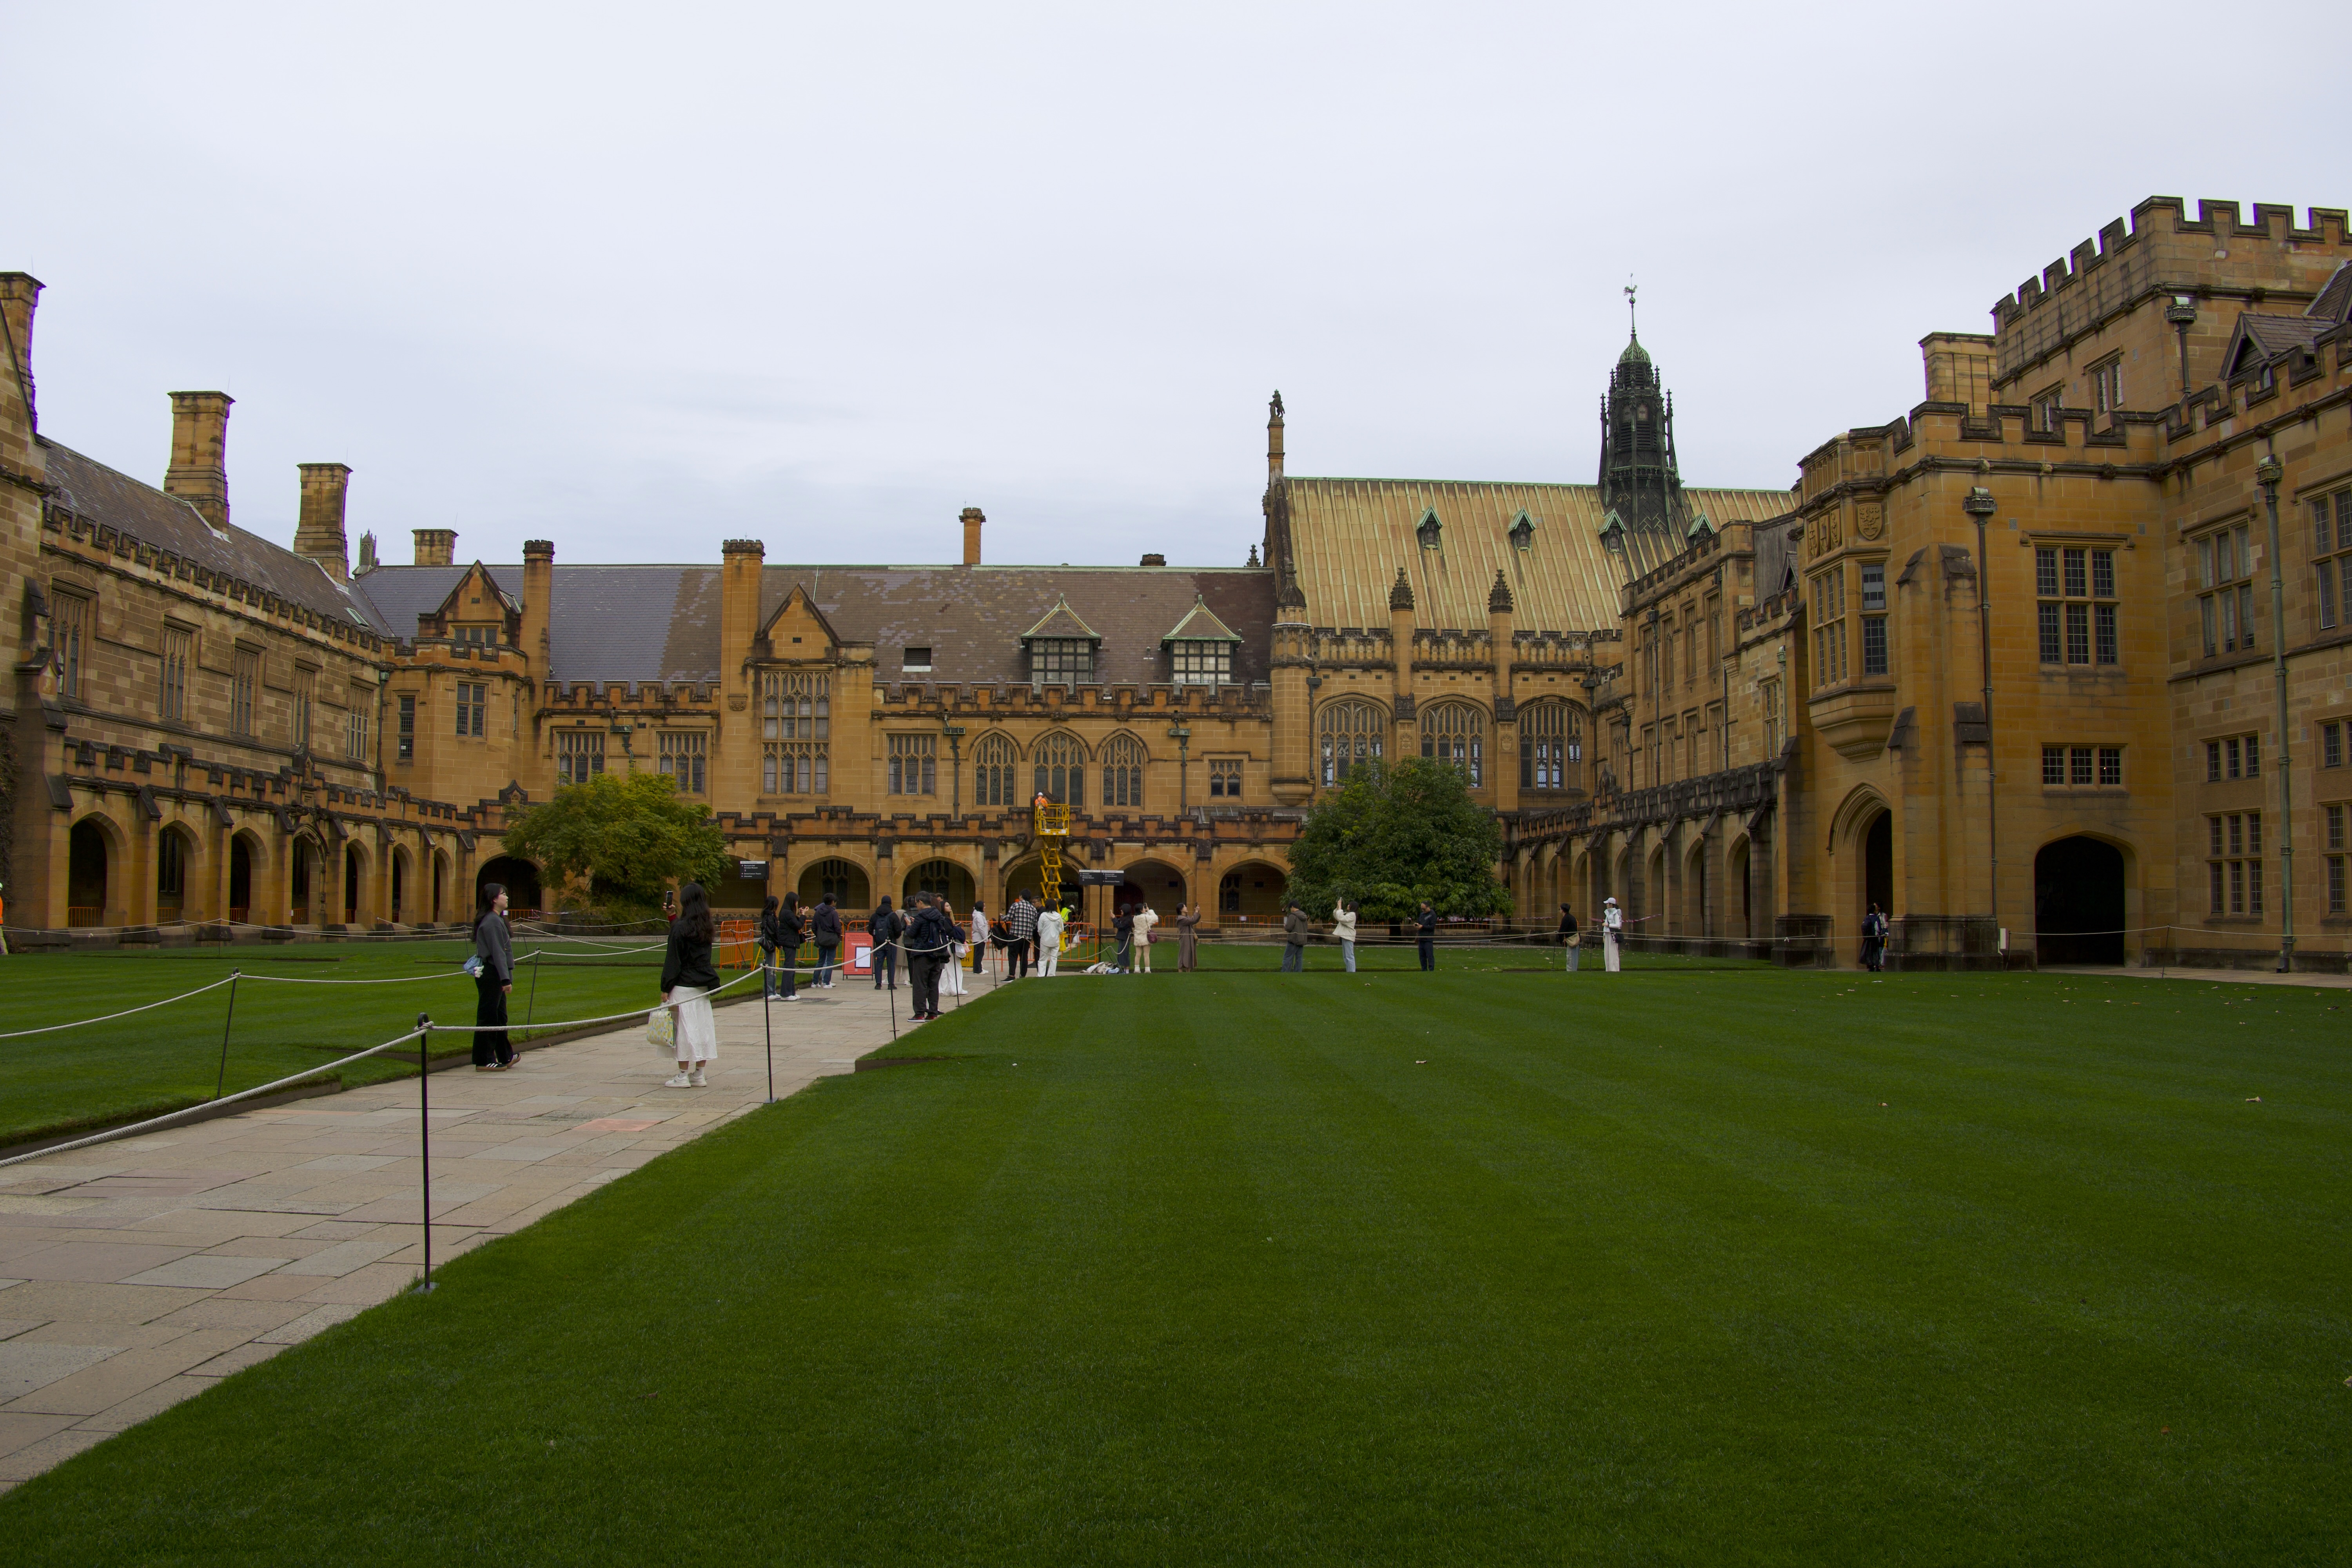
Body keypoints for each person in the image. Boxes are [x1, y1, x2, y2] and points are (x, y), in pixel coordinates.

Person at [659, 882, 721, 1087]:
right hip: (701, 987)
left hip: (684, 987)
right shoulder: (706, 927)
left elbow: (673, 960)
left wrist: (666, 987)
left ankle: (683, 1075)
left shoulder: (682, 929)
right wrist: (672, 917)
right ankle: (699, 1073)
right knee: (702, 1029)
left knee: (684, 1031)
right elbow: (683, 932)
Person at [471, 881, 517, 1071]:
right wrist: (505, 980)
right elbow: (498, 953)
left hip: (495, 972)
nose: (506, 897)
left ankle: (505, 1055)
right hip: (492, 973)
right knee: (488, 1017)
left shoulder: (496, 920)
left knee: (499, 1017)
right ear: (493, 899)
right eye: (503, 894)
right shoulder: (491, 922)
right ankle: (483, 1059)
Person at [905, 894, 966, 1021]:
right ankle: (933, 1013)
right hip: (937, 954)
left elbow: (911, 935)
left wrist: (909, 925)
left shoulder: (921, 917)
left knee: (920, 984)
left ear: (921, 903)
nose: (916, 906)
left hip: (923, 953)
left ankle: (920, 1013)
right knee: (933, 984)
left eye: (917, 903)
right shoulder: (939, 916)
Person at [1004, 890, 1038, 978]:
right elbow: (1034, 924)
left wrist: (1002, 917)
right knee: (1024, 956)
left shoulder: (1016, 905)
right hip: (1027, 937)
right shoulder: (1033, 909)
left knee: (1013, 955)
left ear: (1021, 896)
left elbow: (1009, 918)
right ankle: (1023, 976)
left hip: (1016, 935)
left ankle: (1012, 975)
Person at [870, 895, 900, 991]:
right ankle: (891, 984)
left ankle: (878, 983)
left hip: (879, 943)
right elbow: (898, 929)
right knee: (891, 962)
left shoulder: (875, 915)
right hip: (891, 942)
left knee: (879, 962)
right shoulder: (893, 915)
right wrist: (894, 937)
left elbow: (870, 929)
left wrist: (876, 938)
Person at [811, 895, 842, 987]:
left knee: (821, 960)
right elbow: (837, 927)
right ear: (832, 902)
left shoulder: (818, 913)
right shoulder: (834, 913)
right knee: (830, 961)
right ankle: (826, 982)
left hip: (822, 938)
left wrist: (819, 935)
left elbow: (814, 926)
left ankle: (815, 982)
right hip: (832, 938)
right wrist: (837, 937)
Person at [1035, 902, 1066, 977]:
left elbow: (1040, 929)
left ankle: (1041, 975)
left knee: (1043, 959)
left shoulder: (1043, 916)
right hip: (1055, 940)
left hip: (1045, 940)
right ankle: (1052, 974)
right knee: (1054, 959)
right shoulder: (1058, 916)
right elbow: (1061, 929)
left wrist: (1042, 935)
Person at [1331, 898, 1358, 974]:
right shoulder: (1349, 914)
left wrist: (1340, 908)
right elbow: (1337, 917)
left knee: (1349, 956)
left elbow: (1341, 918)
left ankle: (1352, 972)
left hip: (1348, 936)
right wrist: (1338, 908)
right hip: (1345, 936)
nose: (1348, 906)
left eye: (1350, 905)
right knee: (1346, 956)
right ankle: (1349, 972)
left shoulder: (1352, 915)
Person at [1282, 901, 1310, 973]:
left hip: (1294, 940)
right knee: (1299, 959)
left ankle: (1285, 972)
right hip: (1302, 940)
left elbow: (1289, 928)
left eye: (1290, 908)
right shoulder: (1304, 916)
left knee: (1288, 957)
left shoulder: (1293, 916)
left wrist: (1286, 926)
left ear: (1293, 907)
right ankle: (1298, 973)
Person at [1132, 902, 1160, 973]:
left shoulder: (1135, 918)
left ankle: (1137, 969)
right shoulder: (1145, 917)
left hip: (1138, 937)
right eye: (1143, 908)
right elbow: (1155, 918)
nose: (1144, 909)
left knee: (1138, 955)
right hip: (1145, 937)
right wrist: (1150, 911)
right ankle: (1147, 969)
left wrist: (1146, 912)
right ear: (1141, 910)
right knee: (1146, 955)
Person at [1862, 902, 1889, 972]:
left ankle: (1871, 966)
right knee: (1876, 952)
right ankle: (1877, 966)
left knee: (1869, 952)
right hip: (1875, 938)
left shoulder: (1867, 918)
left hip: (1868, 938)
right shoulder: (1876, 918)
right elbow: (1878, 928)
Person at [967, 902, 989, 984]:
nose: (985, 907)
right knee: (979, 954)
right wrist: (986, 938)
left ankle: (979, 968)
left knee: (980, 954)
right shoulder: (979, 916)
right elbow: (981, 928)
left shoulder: (979, 915)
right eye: (984, 906)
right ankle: (977, 970)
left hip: (979, 938)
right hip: (979, 938)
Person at [1414, 900, 1437, 971]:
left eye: (1424, 909)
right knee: (1422, 956)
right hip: (1421, 938)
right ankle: (1424, 970)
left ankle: (1431, 970)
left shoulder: (1433, 915)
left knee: (1429, 955)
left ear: (1428, 907)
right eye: (1422, 909)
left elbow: (1432, 927)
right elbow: (1419, 922)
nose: (1423, 910)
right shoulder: (1422, 915)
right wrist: (1417, 925)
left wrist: (1423, 927)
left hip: (1428, 938)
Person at [1602, 896, 1624, 972]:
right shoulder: (1607, 913)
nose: (1607, 905)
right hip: (1608, 934)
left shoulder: (1616, 914)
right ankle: (1608, 969)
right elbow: (1606, 923)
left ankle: (1614, 969)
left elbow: (1618, 926)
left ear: (1611, 905)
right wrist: (1604, 935)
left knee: (1613, 952)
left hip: (1613, 934)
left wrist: (1609, 926)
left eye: (1608, 904)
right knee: (1607, 952)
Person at [1176, 903, 1200, 972]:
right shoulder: (1181, 919)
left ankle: (1188, 972)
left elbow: (1194, 921)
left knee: (1190, 953)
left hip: (1189, 938)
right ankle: (1180, 971)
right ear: (1181, 910)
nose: (1186, 908)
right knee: (1183, 954)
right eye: (1185, 907)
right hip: (1185, 939)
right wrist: (1196, 912)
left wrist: (1197, 912)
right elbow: (1192, 920)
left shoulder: (1187, 917)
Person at [1558, 904, 1580, 974]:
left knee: (1571, 958)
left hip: (1572, 941)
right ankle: (1573, 971)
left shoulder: (1566, 918)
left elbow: (1562, 930)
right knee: (1574, 958)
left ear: (1562, 910)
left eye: (1560, 909)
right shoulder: (1571, 917)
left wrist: (1560, 940)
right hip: (1575, 940)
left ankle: (1571, 972)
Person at [1114, 904, 1136, 973]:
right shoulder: (1123, 918)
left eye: (1122, 910)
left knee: (1125, 953)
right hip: (1121, 937)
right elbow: (1119, 923)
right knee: (1120, 953)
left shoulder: (1129, 919)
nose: (1121, 911)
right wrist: (1114, 919)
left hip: (1125, 937)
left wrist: (1114, 919)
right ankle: (1121, 968)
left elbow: (1120, 926)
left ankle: (1127, 970)